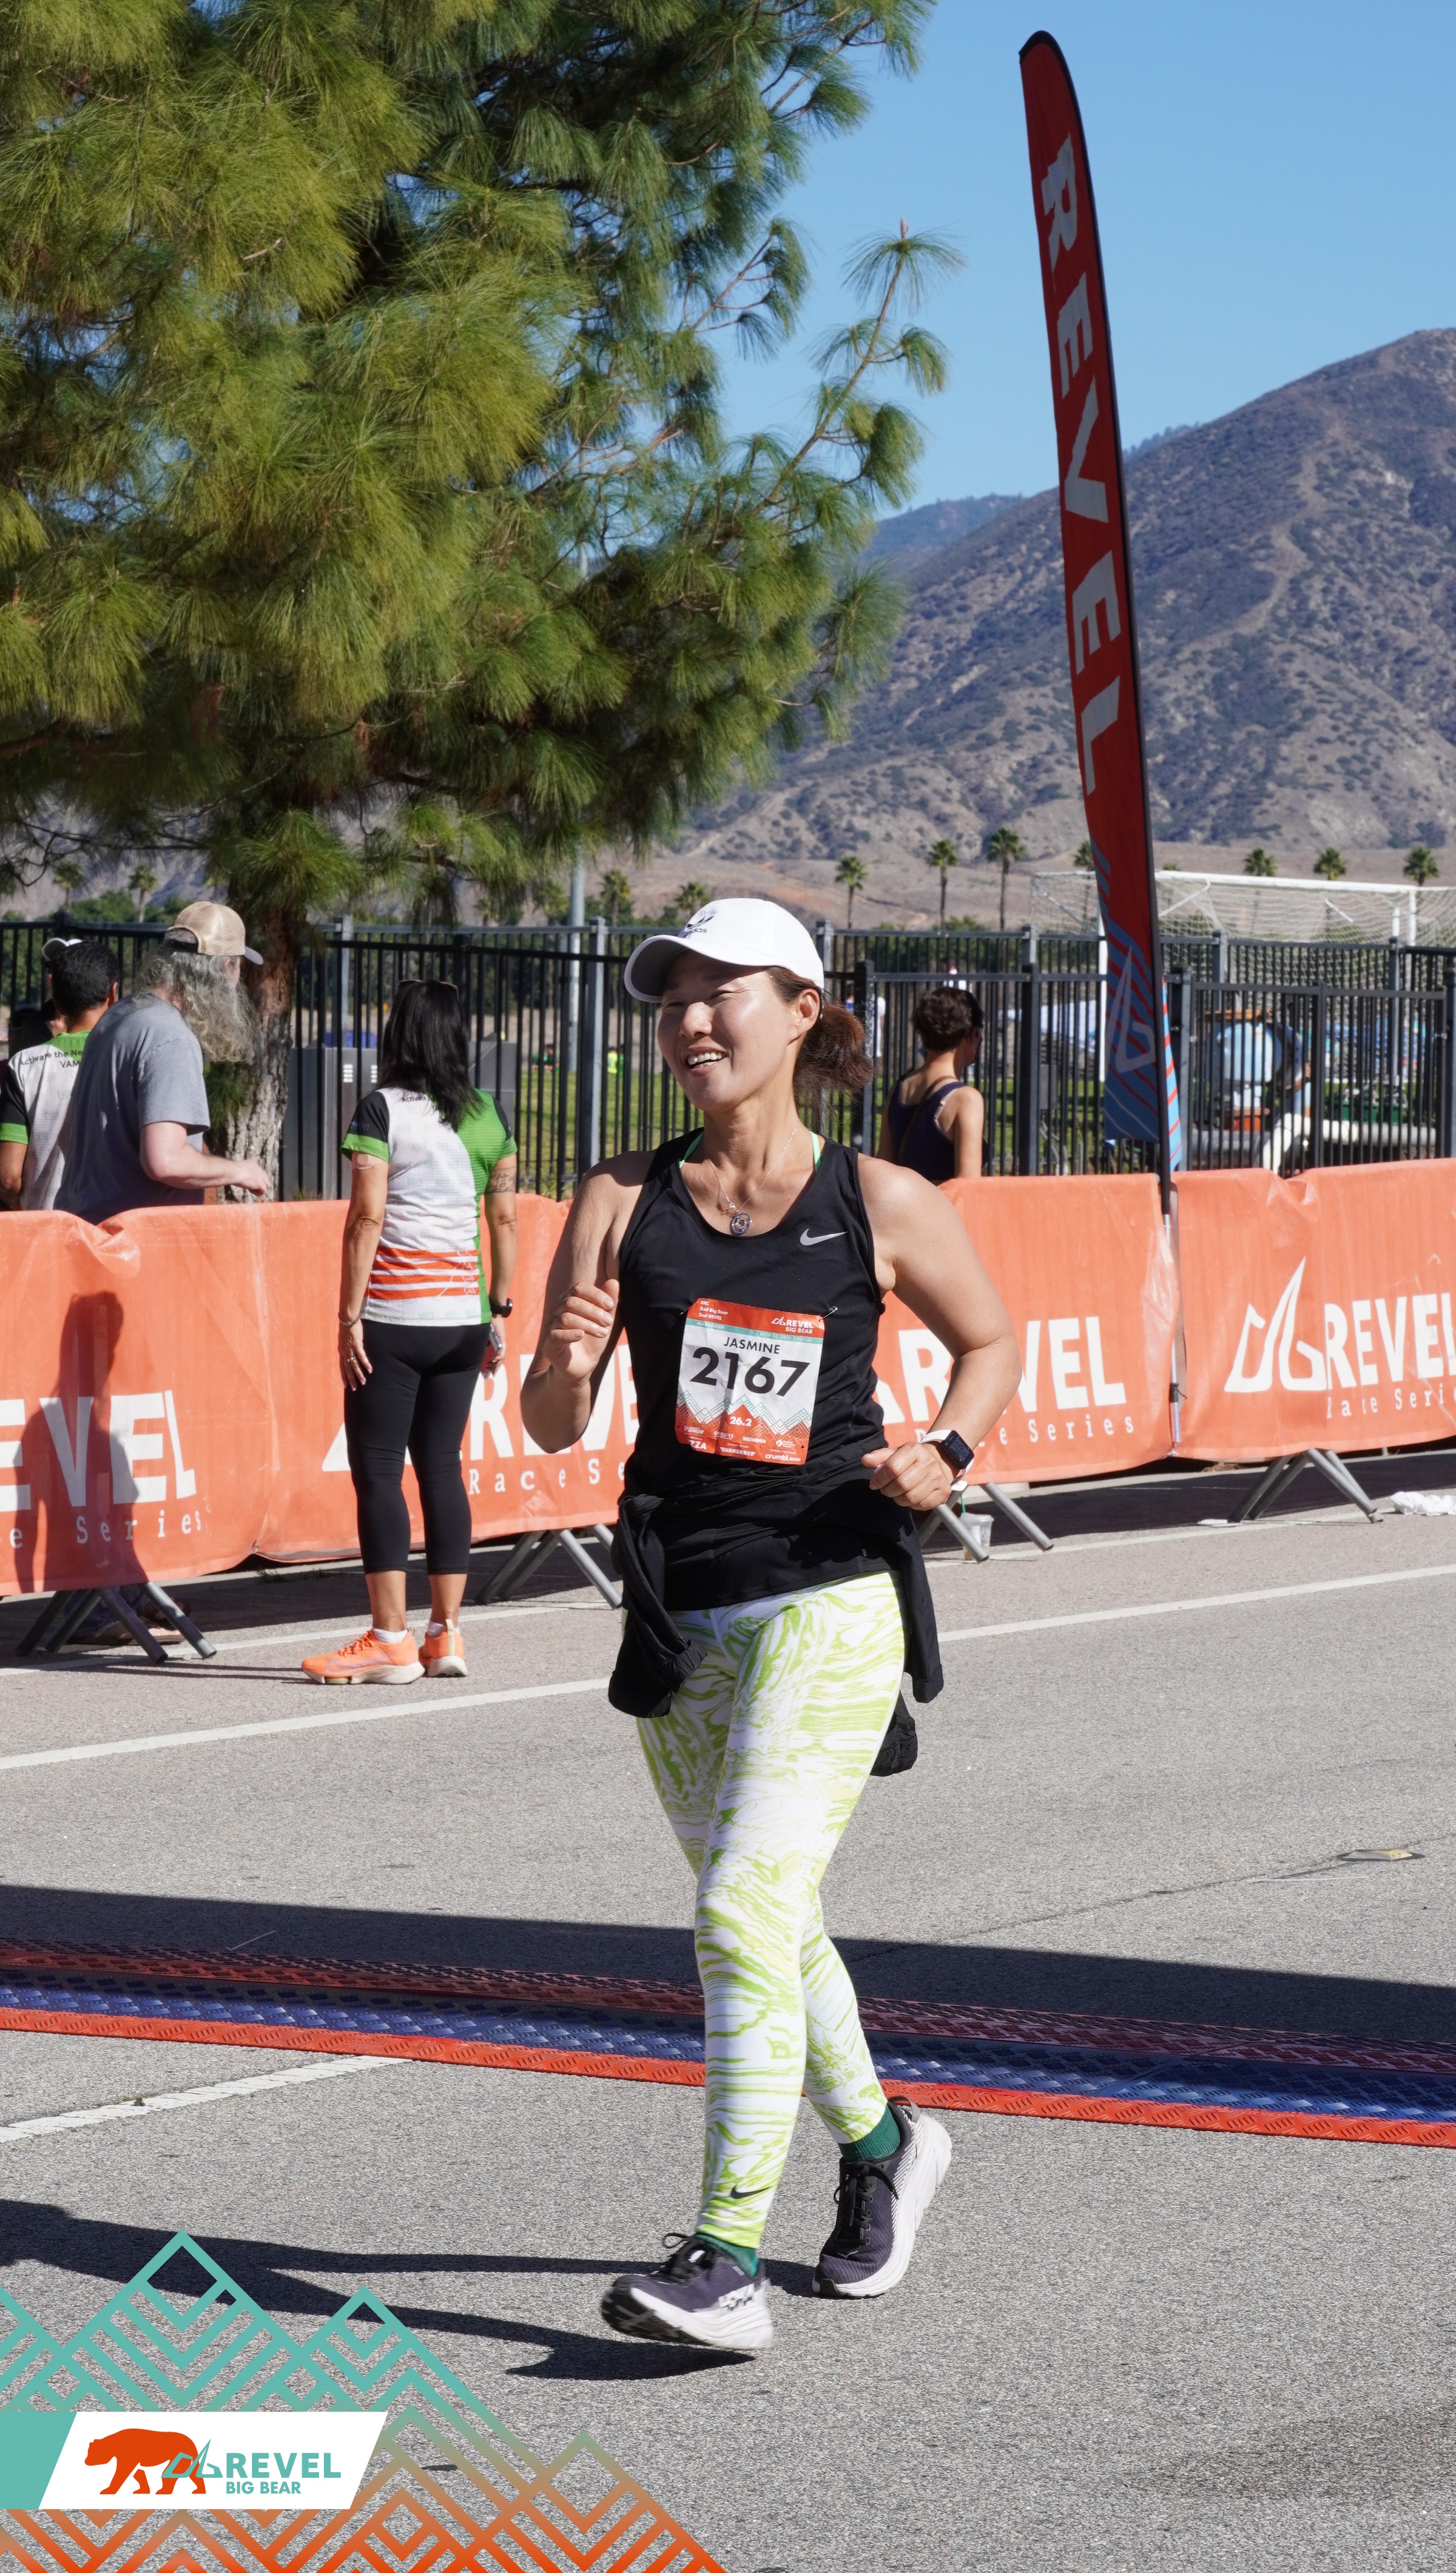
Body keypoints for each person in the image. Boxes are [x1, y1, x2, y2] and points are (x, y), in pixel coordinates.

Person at [522, 898, 1020, 2356]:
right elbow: (549, 1421)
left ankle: (723, 2258)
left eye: (718, 990)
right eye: (670, 996)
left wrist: (946, 1451)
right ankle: (886, 2144)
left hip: (834, 1589)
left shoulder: (879, 1196)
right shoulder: (620, 1195)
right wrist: (565, 1364)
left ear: (800, 1009)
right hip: (682, 1605)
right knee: (769, 1919)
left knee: (738, 1909)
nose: (689, 1018)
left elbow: (989, 1340)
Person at [302, 978, 518, 1687]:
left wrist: (347, 1316)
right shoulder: (489, 1114)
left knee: (378, 1470)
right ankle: (446, 1633)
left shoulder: (381, 1109)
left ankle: (389, 1638)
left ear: (399, 1034)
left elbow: (367, 1217)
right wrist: (500, 1308)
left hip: (394, 1317)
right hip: (464, 1320)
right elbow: (504, 1218)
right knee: (442, 1467)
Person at [56, 902, 271, 1220]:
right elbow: (166, 1161)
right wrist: (239, 1171)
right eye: (239, 967)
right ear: (226, 967)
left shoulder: (119, 1015)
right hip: (132, 1240)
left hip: (82, 1227)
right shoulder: (172, 1038)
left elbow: (67, 1136)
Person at [0, 936, 120, 1208]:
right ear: (113, 994)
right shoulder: (130, 1059)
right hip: (113, 1226)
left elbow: (7, 1179)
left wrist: (21, 1208)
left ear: (57, 1001)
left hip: (45, 1227)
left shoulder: (24, 1066)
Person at [880, 982, 985, 1182]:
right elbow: (969, 1186)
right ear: (971, 1036)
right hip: (940, 1203)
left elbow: (884, 1168)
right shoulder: (965, 1099)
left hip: (902, 1201)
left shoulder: (899, 1088)